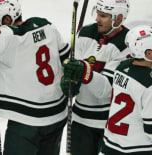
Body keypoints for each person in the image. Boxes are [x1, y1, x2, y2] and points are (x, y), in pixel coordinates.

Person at [0, 0, 71, 155]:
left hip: (27, 120)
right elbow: (67, 58)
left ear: (7, 20)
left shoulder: (8, 35)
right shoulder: (46, 25)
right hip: (57, 114)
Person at [61, 25, 152, 154]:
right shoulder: (148, 84)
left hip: (109, 145)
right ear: (148, 53)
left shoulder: (122, 68)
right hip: (137, 149)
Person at [60, 0, 131, 155]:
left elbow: (106, 91)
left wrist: (84, 72)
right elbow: (71, 66)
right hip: (79, 119)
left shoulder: (127, 44)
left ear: (119, 18)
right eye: (97, 13)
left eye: (103, 16)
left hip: (110, 123)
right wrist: (67, 80)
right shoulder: (86, 32)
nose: (97, 19)